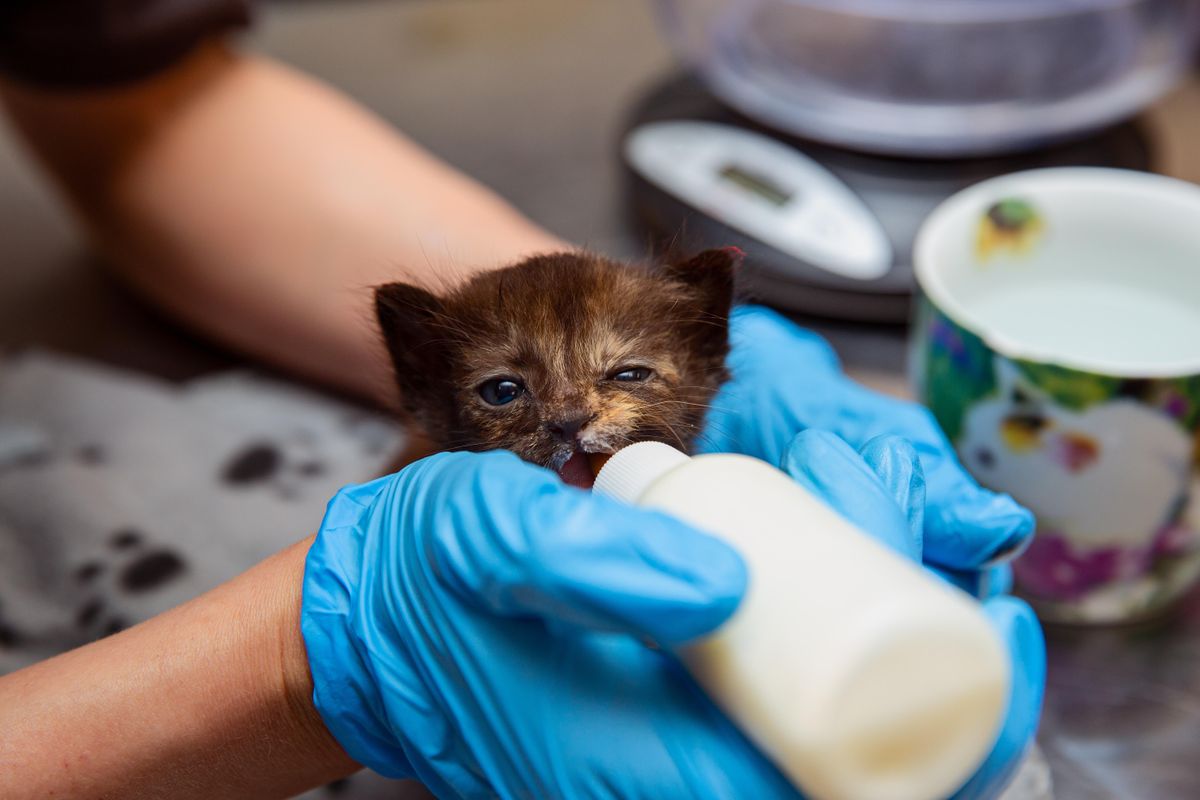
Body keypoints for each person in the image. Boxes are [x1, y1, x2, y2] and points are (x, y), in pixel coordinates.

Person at [0, 3, 1045, 799]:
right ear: (427, 392)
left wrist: (549, 307)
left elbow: (122, 97)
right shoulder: (432, 511)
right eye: (506, 393)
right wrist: (295, 666)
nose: (575, 415)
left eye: (628, 374)